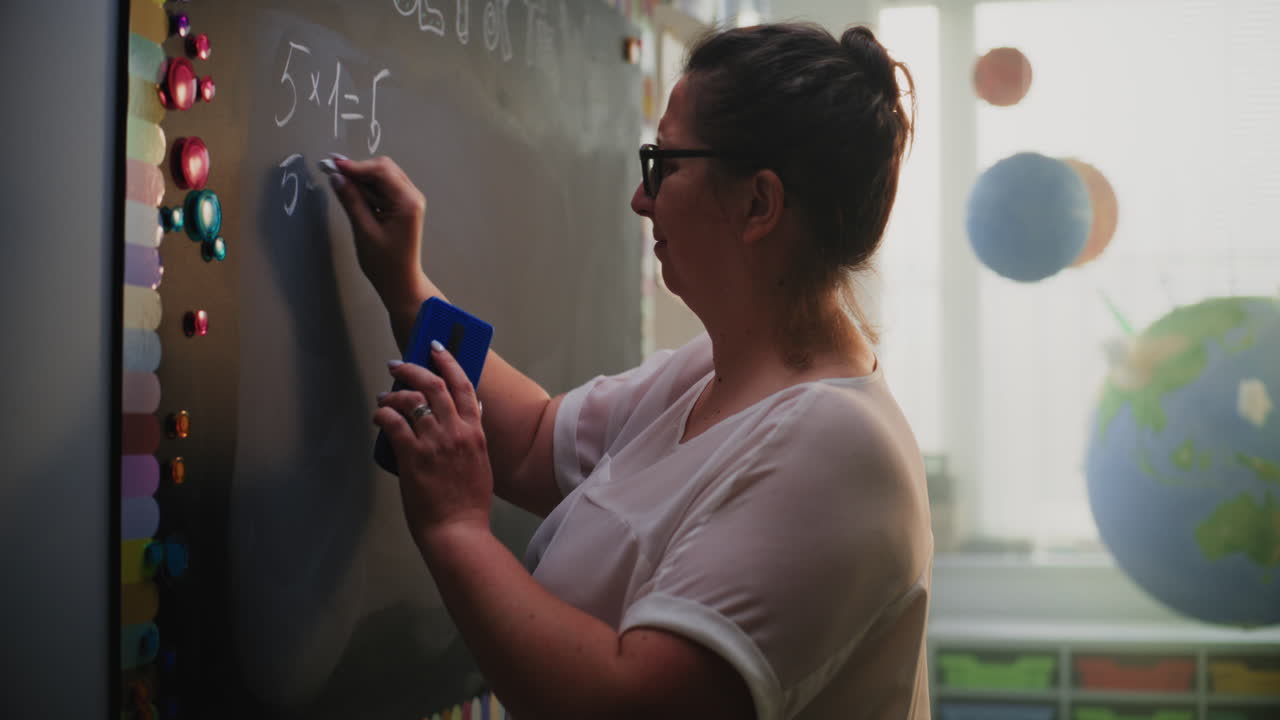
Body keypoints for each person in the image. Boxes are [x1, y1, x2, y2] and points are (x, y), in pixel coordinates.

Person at [327, 22, 932, 720]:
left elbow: (629, 703)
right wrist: (407, 286)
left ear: (758, 205)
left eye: (664, 165)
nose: (641, 199)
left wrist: (457, 530)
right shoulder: (716, 370)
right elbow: (530, 440)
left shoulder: (839, 450)